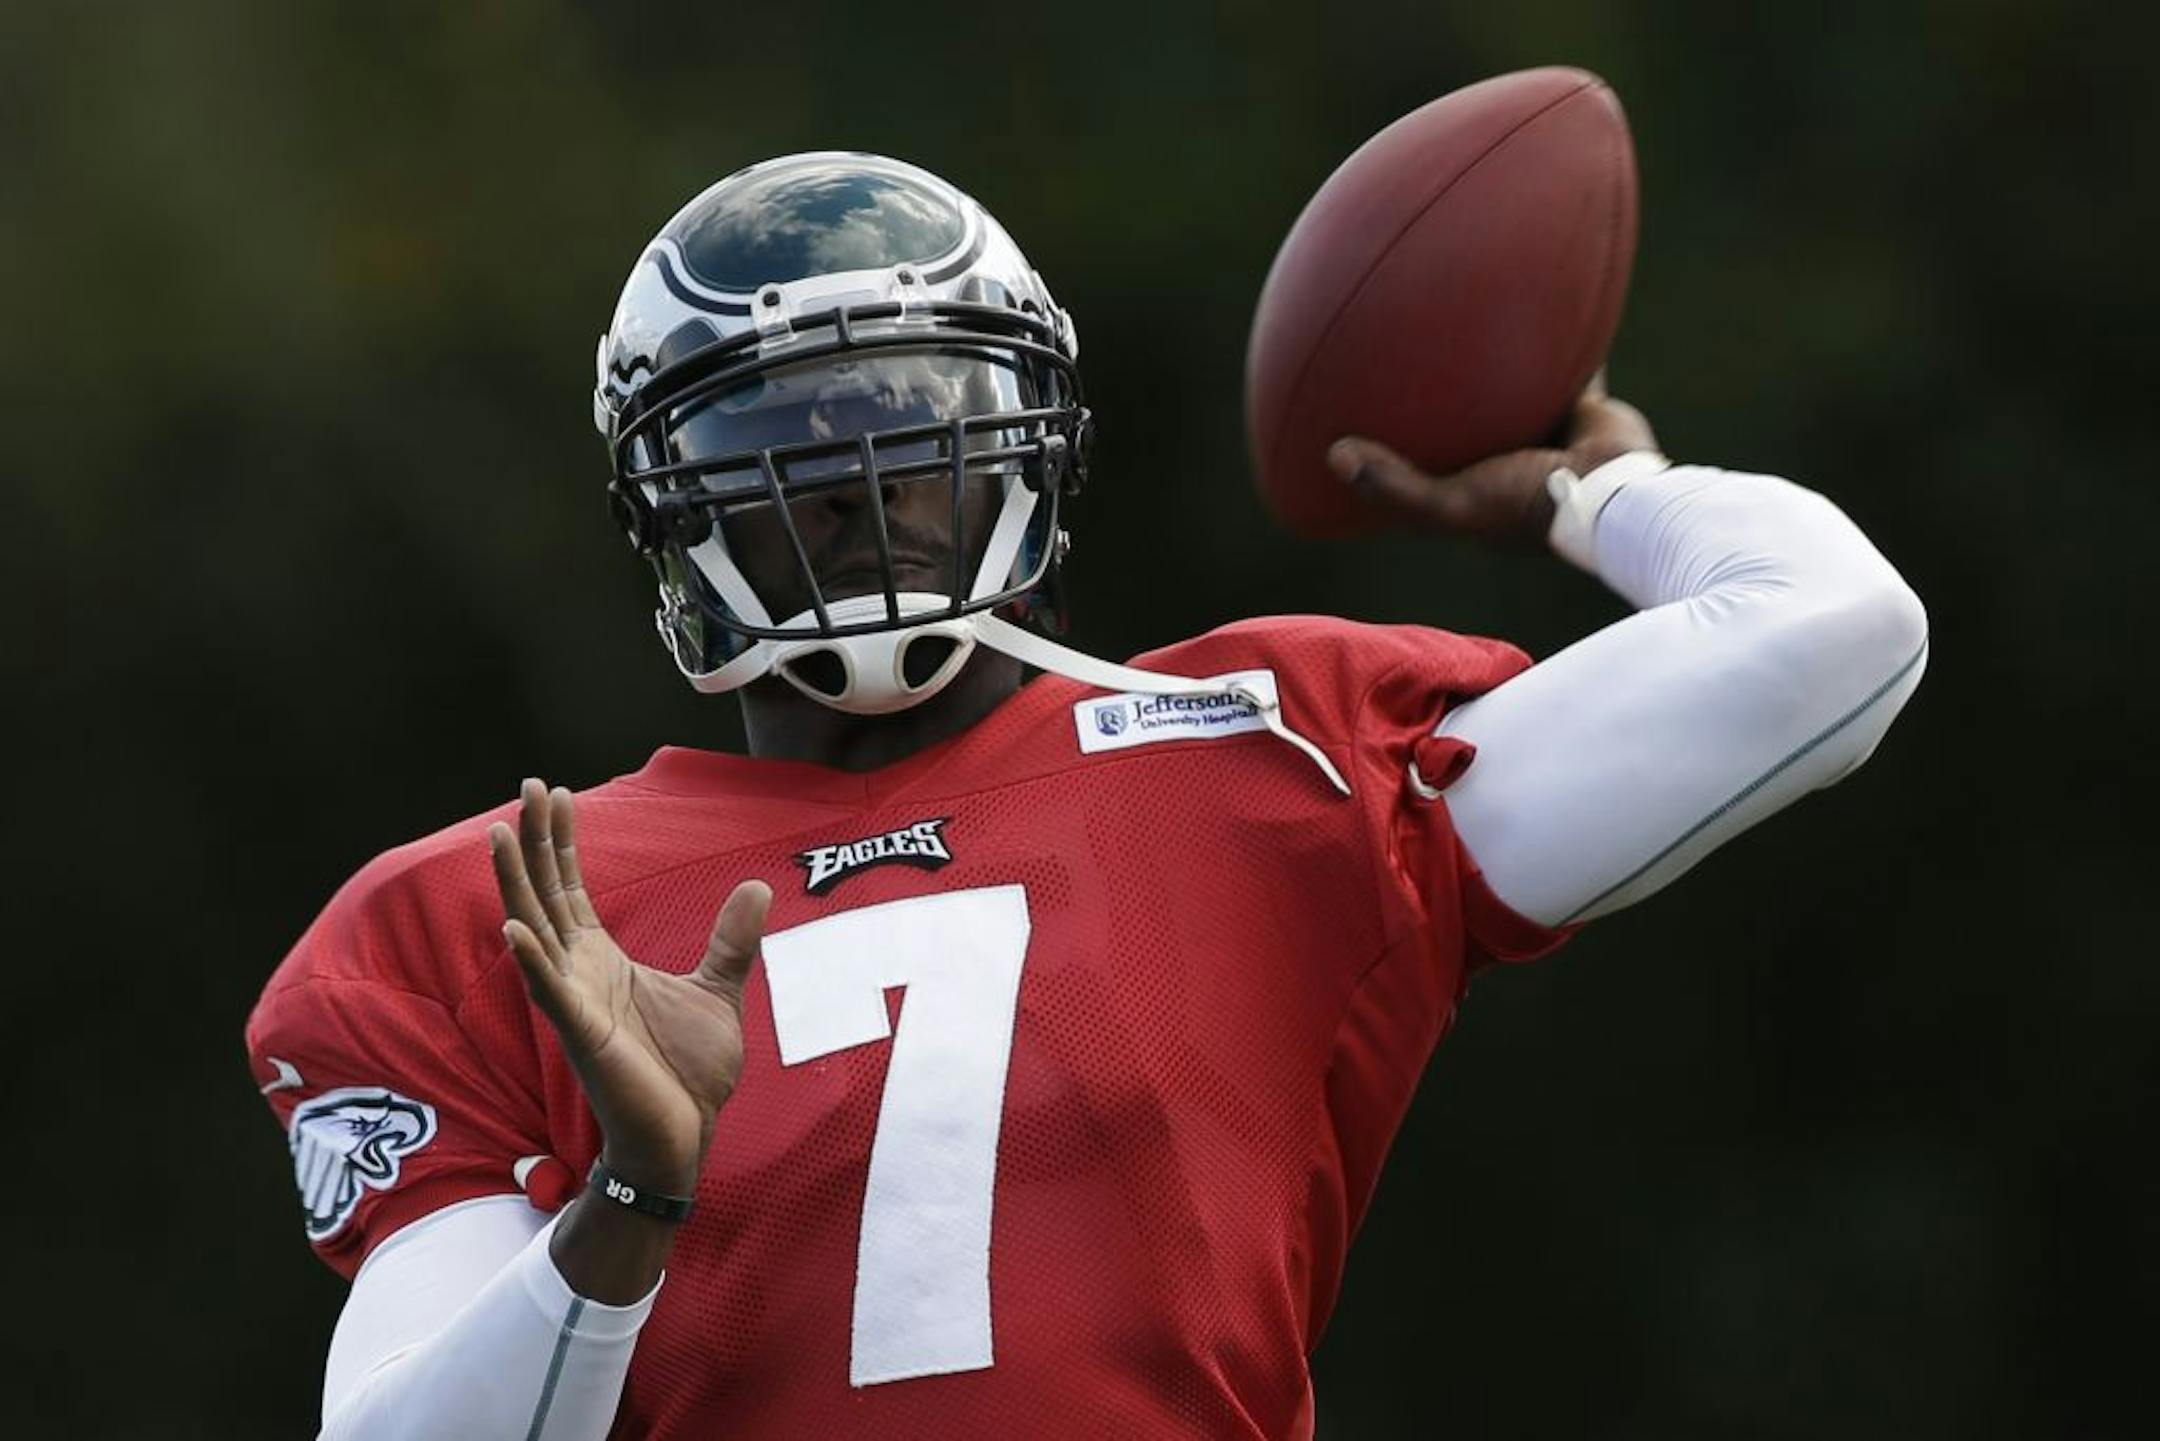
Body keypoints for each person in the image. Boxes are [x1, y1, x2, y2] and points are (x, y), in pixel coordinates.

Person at [247, 152, 1928, 1439]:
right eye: (794, 455)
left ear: (1032, 446)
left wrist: (1596, 486)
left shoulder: (1275, 753)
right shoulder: (498, 909)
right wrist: (631, 1196)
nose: (868, 496)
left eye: (916, 433)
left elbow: (1834, 634)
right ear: (675, 517)